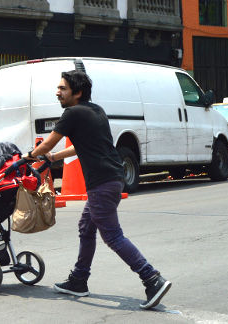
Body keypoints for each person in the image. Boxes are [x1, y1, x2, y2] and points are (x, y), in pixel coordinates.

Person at [28, 70, 171, 310]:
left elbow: (49, 141)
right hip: (114, 179)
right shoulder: (96, 111)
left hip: (102, 183)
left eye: (62, 88)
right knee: (86, 227)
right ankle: (79, 280)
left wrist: (30, 155)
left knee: (112, 235)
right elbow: (79, 147)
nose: (58, 92)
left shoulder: (72, 113)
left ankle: (151, 278)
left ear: (77, 92)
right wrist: (53, 157)